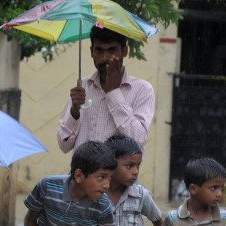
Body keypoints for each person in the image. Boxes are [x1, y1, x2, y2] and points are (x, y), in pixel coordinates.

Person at [57, 26, 155, 154]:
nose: (105, 58)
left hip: (116, 174)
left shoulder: (142, 89)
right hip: (83, 173)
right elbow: (64, 146)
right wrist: (74, 111)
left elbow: (137, 140)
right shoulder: (82, 87)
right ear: (92, 52)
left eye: (112, 50)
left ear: (124, 51)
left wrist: (113, 92)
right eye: (99, 50)